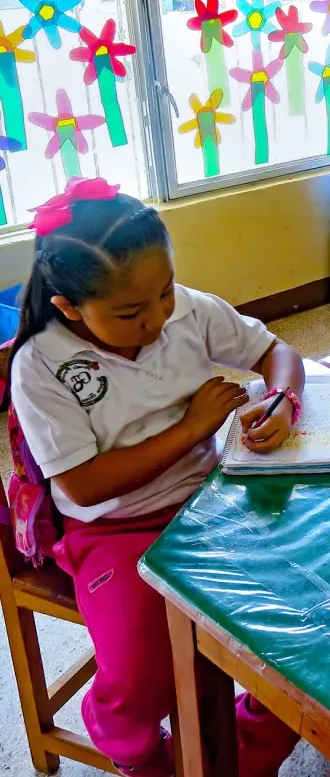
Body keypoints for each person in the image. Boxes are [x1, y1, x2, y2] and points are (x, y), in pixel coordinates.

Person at [8, 177, 305, 777]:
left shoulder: (186, 310)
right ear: (69, 307)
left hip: (213, 501)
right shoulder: (42, 366)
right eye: (130, 311)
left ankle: (243, 749)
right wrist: (193, 428)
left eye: (164, 292)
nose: (158, 317)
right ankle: (130, 740)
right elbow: (84, 486)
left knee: (304, 628)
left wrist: (282, 400)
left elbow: (276, 351)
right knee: (143, 674)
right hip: (114, 530)